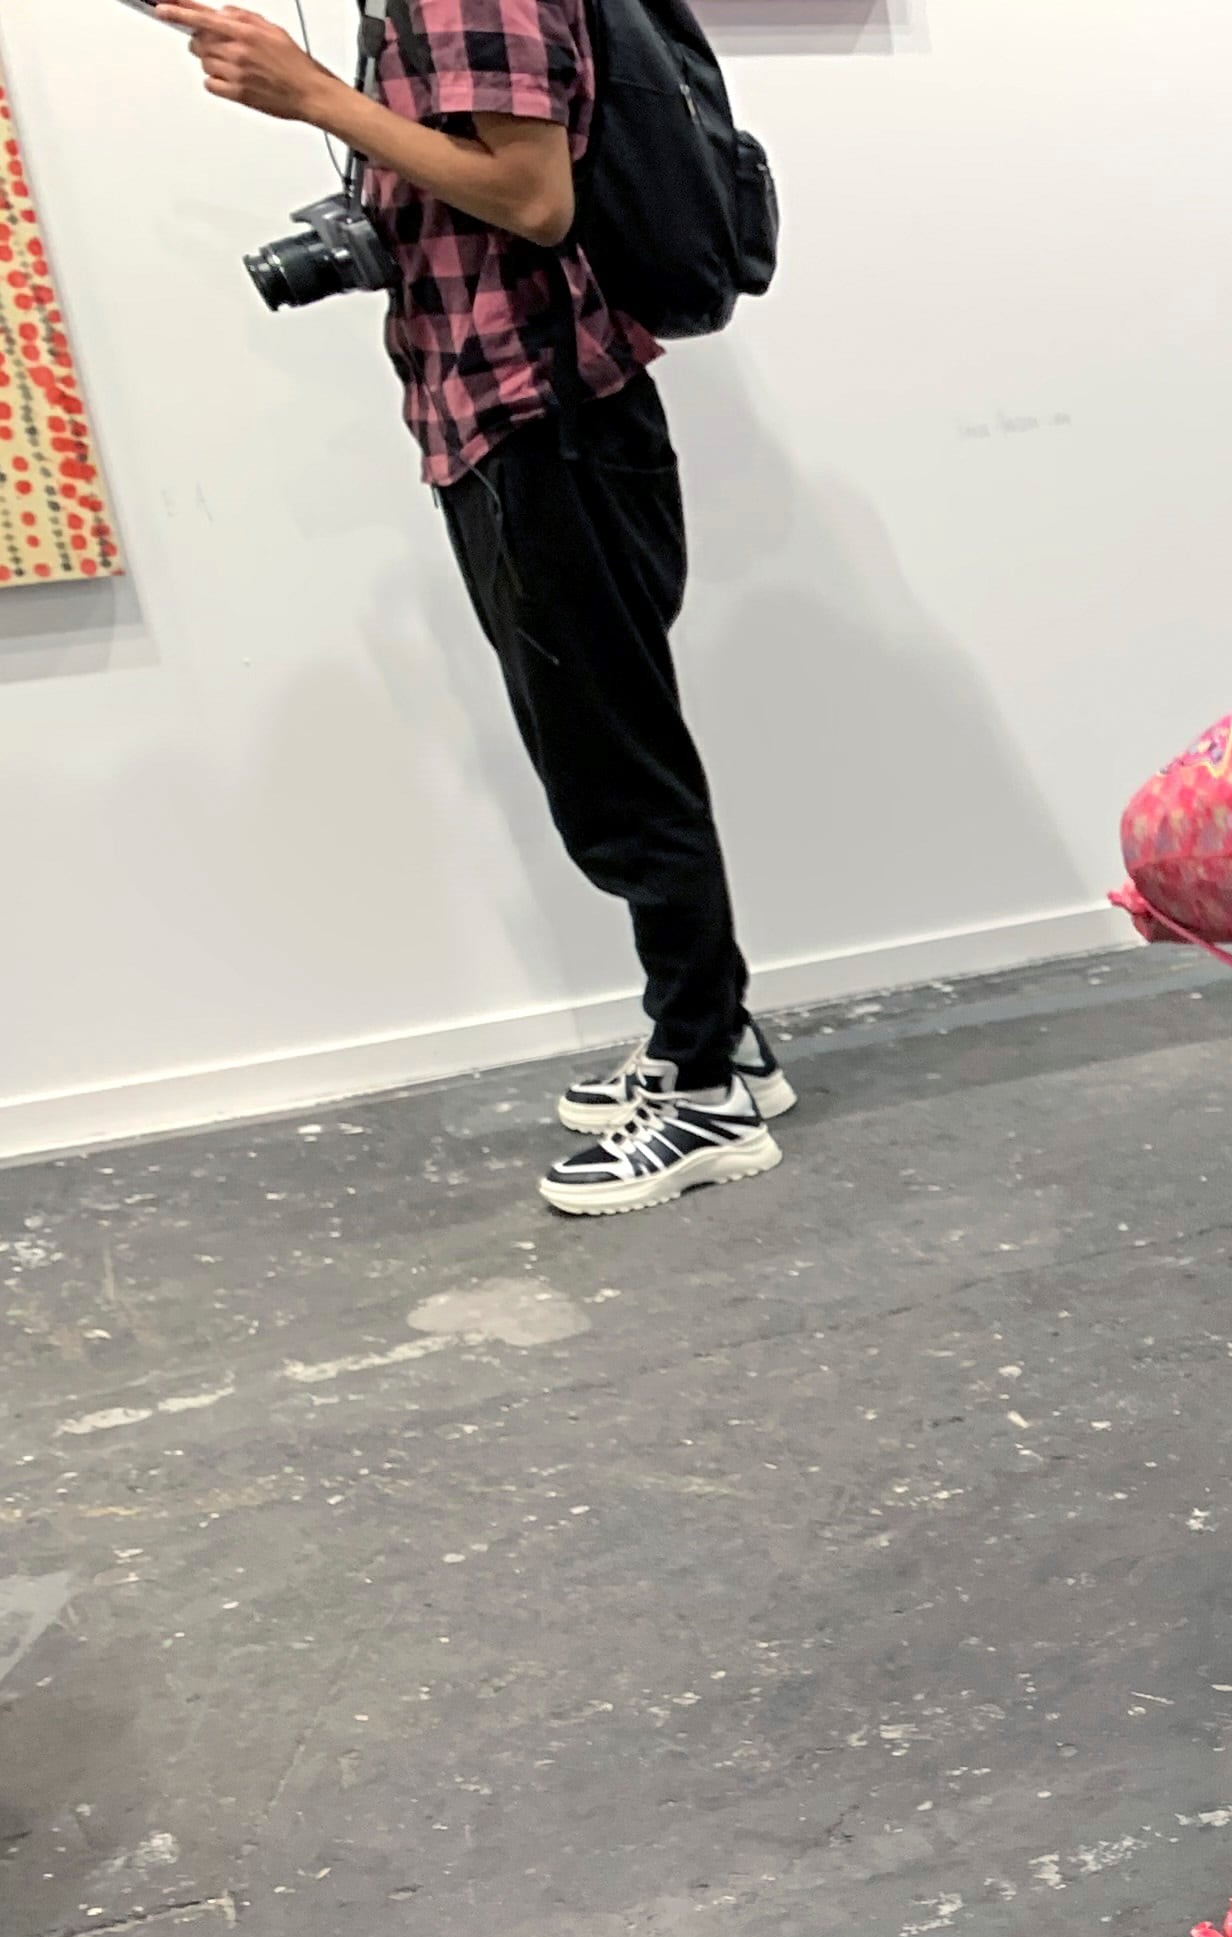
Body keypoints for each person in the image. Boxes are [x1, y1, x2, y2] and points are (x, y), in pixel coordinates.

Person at [158, 2, 787, 1218]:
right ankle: (716, 1038)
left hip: (541, 422)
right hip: (524, 421)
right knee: (609, 754)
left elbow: (534, 198)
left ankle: (708, 1088)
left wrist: (313, 97)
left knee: (618, 771)